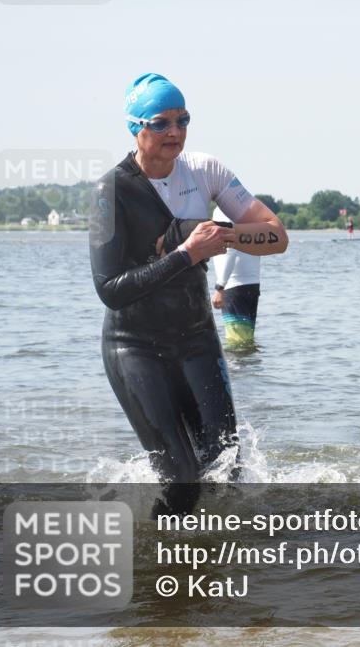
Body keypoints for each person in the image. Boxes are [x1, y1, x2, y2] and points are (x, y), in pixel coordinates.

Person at [89, 73, 288, 511]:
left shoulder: (204, 170)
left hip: (196, 338)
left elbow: (277, 236)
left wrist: (223, 233)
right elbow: (110, 290)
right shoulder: (111, 191)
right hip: (134, 346)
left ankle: (213, 562)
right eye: (160, 123)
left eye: (182, 120)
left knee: (226, 468)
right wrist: (186, 252)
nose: (174, 132)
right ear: (135, 127)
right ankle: (164, 566)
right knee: (181, 481)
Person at [211, 207, 262, 349]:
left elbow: (230, 250)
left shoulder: (222, 211)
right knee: (247, 341)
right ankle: (252, 371)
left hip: (233, 286)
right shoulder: (248, 209)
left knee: (237, 344)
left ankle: (239, 372)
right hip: (252, 283)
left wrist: (220, 287)